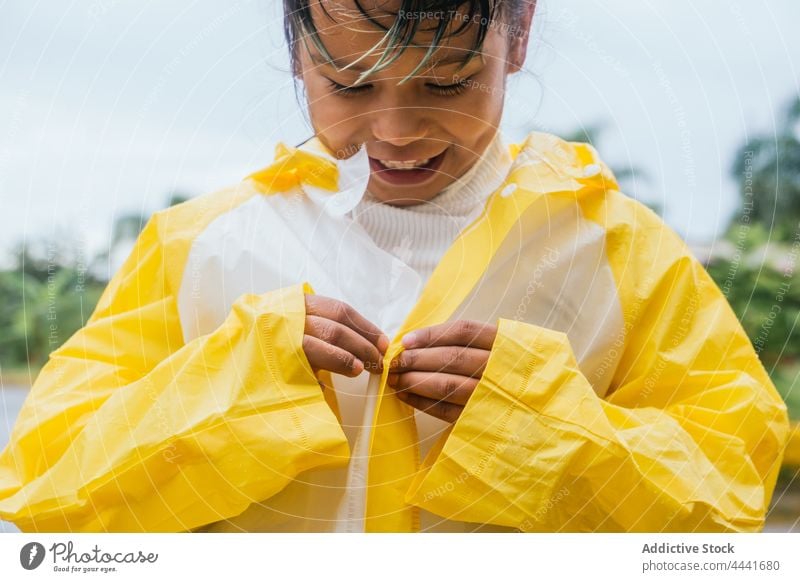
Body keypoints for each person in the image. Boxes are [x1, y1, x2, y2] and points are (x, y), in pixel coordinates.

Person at [0, 0, 790, 533]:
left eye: (447, 82)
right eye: (349, 84)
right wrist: (238, 382)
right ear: (296, 54)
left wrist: (542, 423)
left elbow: (728, 503)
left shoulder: (618, 248)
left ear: (517, 35)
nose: (398, 128)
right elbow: (43, 491)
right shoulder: (198, 246)